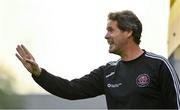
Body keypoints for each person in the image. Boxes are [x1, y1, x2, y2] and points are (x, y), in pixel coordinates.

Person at [16, 10, 180, 109]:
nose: (105, 36)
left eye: (111, 30)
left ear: (129, 31)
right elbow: (70, 89)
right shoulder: (108, 72)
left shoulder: (159, 65)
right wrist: (39, 73)